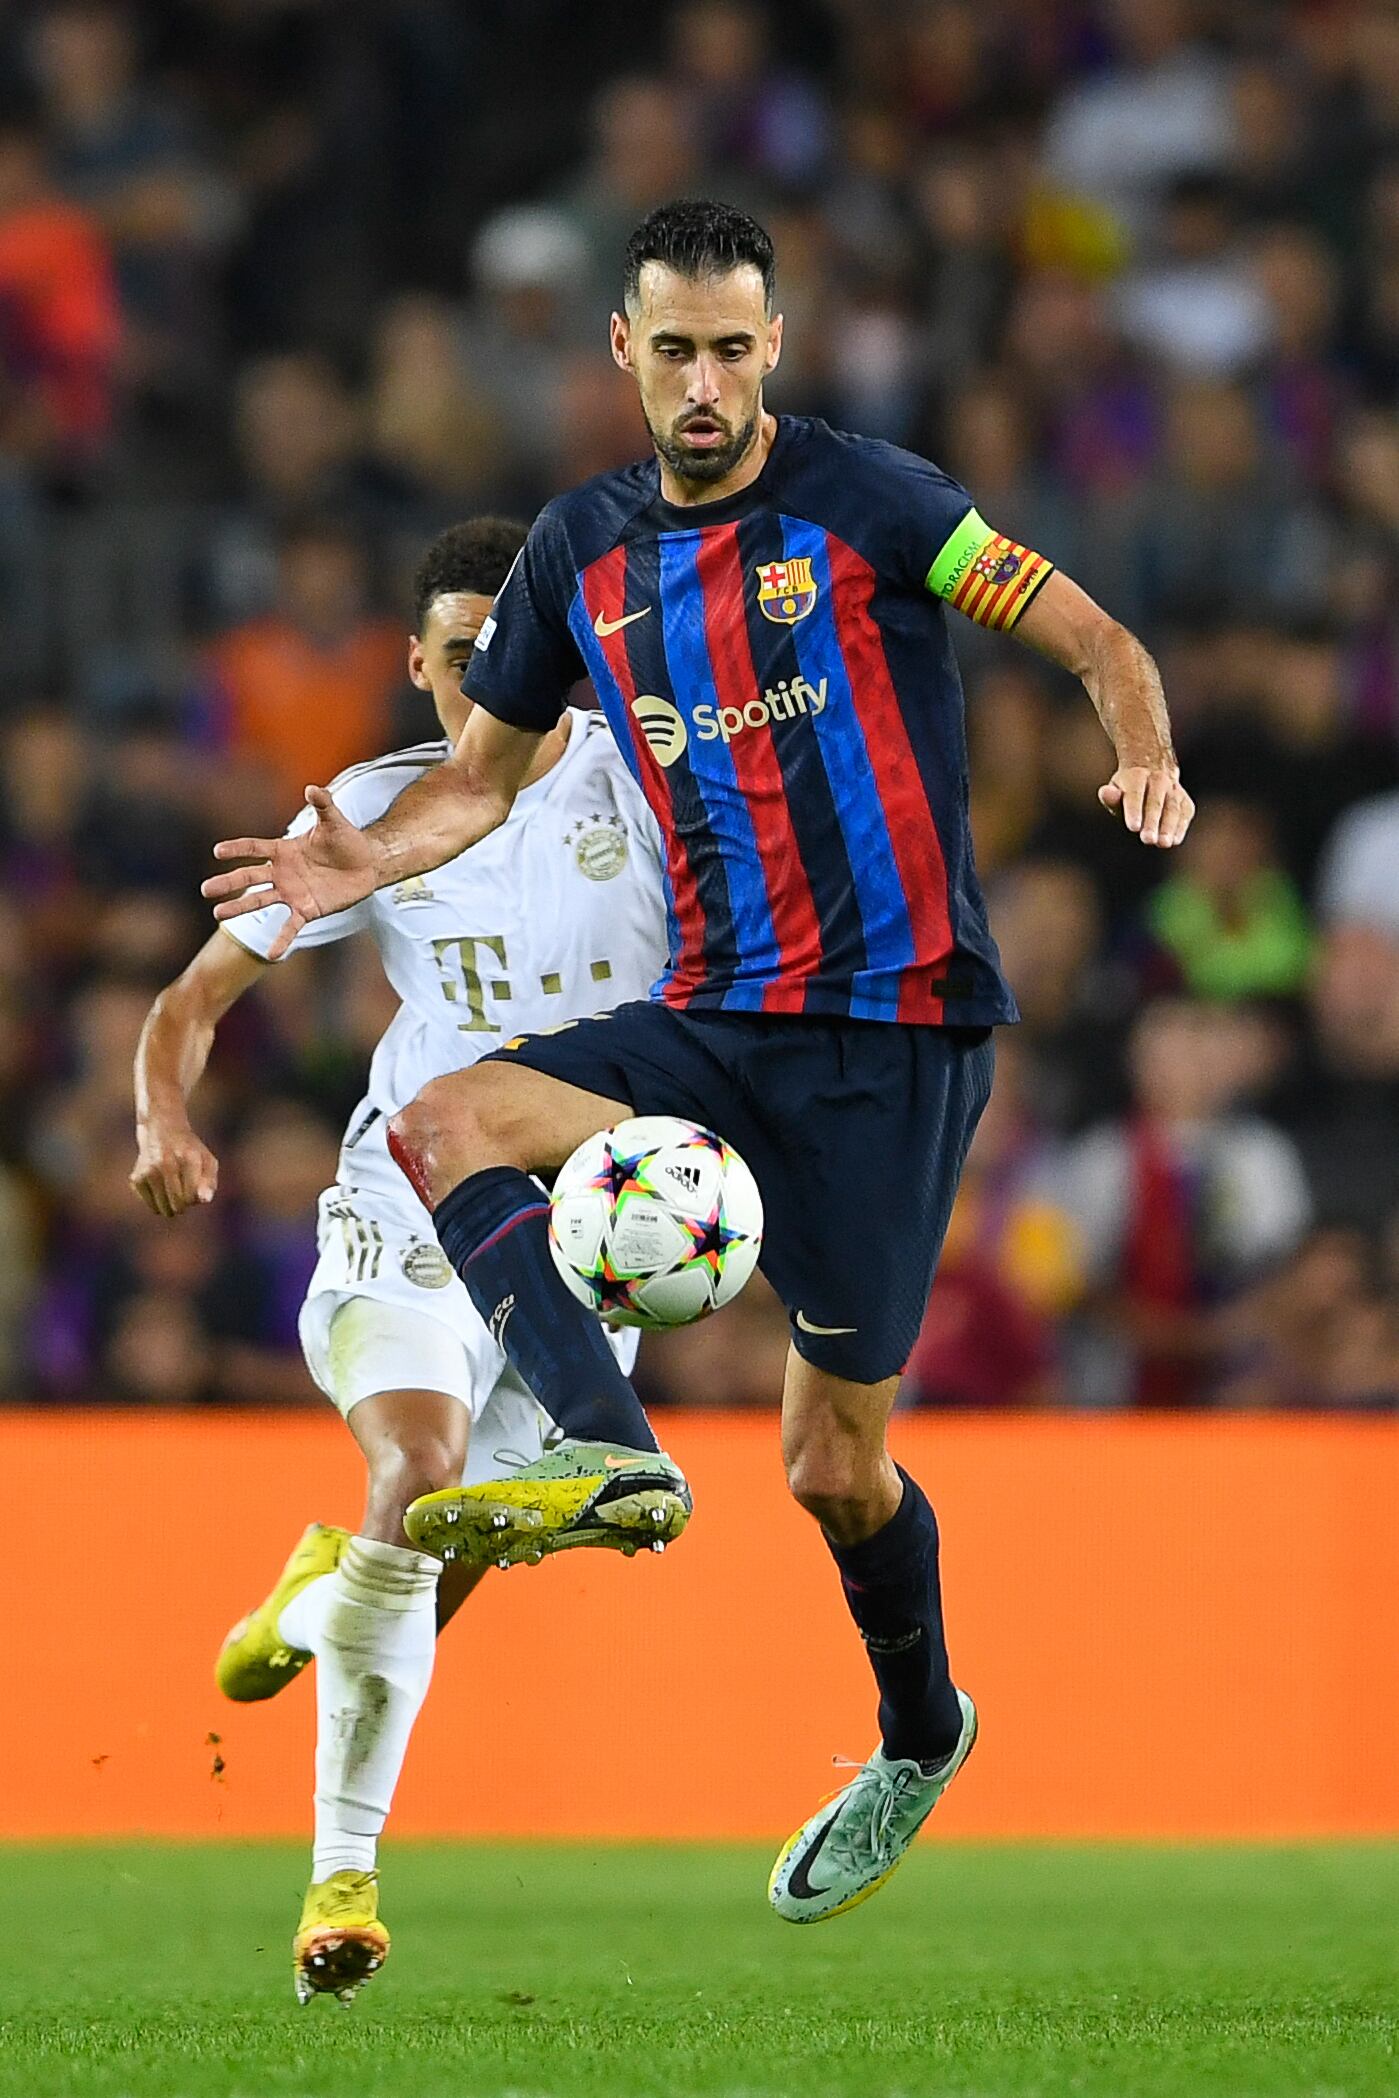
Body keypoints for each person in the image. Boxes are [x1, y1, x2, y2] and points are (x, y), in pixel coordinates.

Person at [204, 200, 1195, 1929]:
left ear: (776, 347)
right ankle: (613, 1453)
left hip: (892, 1035)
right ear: (625, 352)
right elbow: (477, 778)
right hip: (717, 1014)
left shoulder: (875, 501)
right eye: (676, 350)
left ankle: (922, 1730)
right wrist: (367, 857)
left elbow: (1099, 639)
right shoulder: (579, 549)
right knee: (443, 1117)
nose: (708, 384)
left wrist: (1145, 752)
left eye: (736, 348)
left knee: (832, 1468)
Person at [136, 516, 668, 2002]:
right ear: (420, 666)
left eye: (510, 649)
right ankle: (343, 1876)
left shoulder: (649, 793)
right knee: (419, 1470)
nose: (484, 676)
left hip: (588, 1235)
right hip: (413, 1196)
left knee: (432, 1556)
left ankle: (318, 1601)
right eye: (457, 654)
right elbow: (189, 998)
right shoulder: (371, 812)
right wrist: (163, 1113)